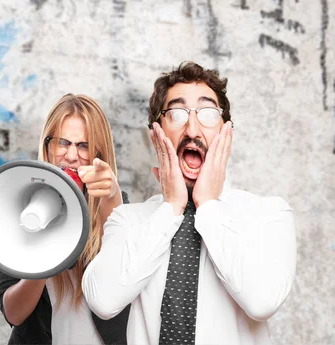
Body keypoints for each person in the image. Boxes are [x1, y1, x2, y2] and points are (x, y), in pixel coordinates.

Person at [82, 62, 296, 345]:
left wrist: (207, 205)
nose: (192, 128)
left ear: (225, 133)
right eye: (177, 113)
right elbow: (103, 300)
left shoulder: (268, 214)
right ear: (156, 134)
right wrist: (172, 207)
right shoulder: (128, 220)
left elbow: (262, 302)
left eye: (208, 113)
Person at [0, 93, 130, 344]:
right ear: (47, 147)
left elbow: (121, 278)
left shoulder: (120, 207)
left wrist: (112, 197)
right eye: (63, 143)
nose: (72, 156)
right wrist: (45, 259)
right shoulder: (14, 209)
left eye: (84, 145)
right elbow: (13, 312)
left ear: (100, 151)